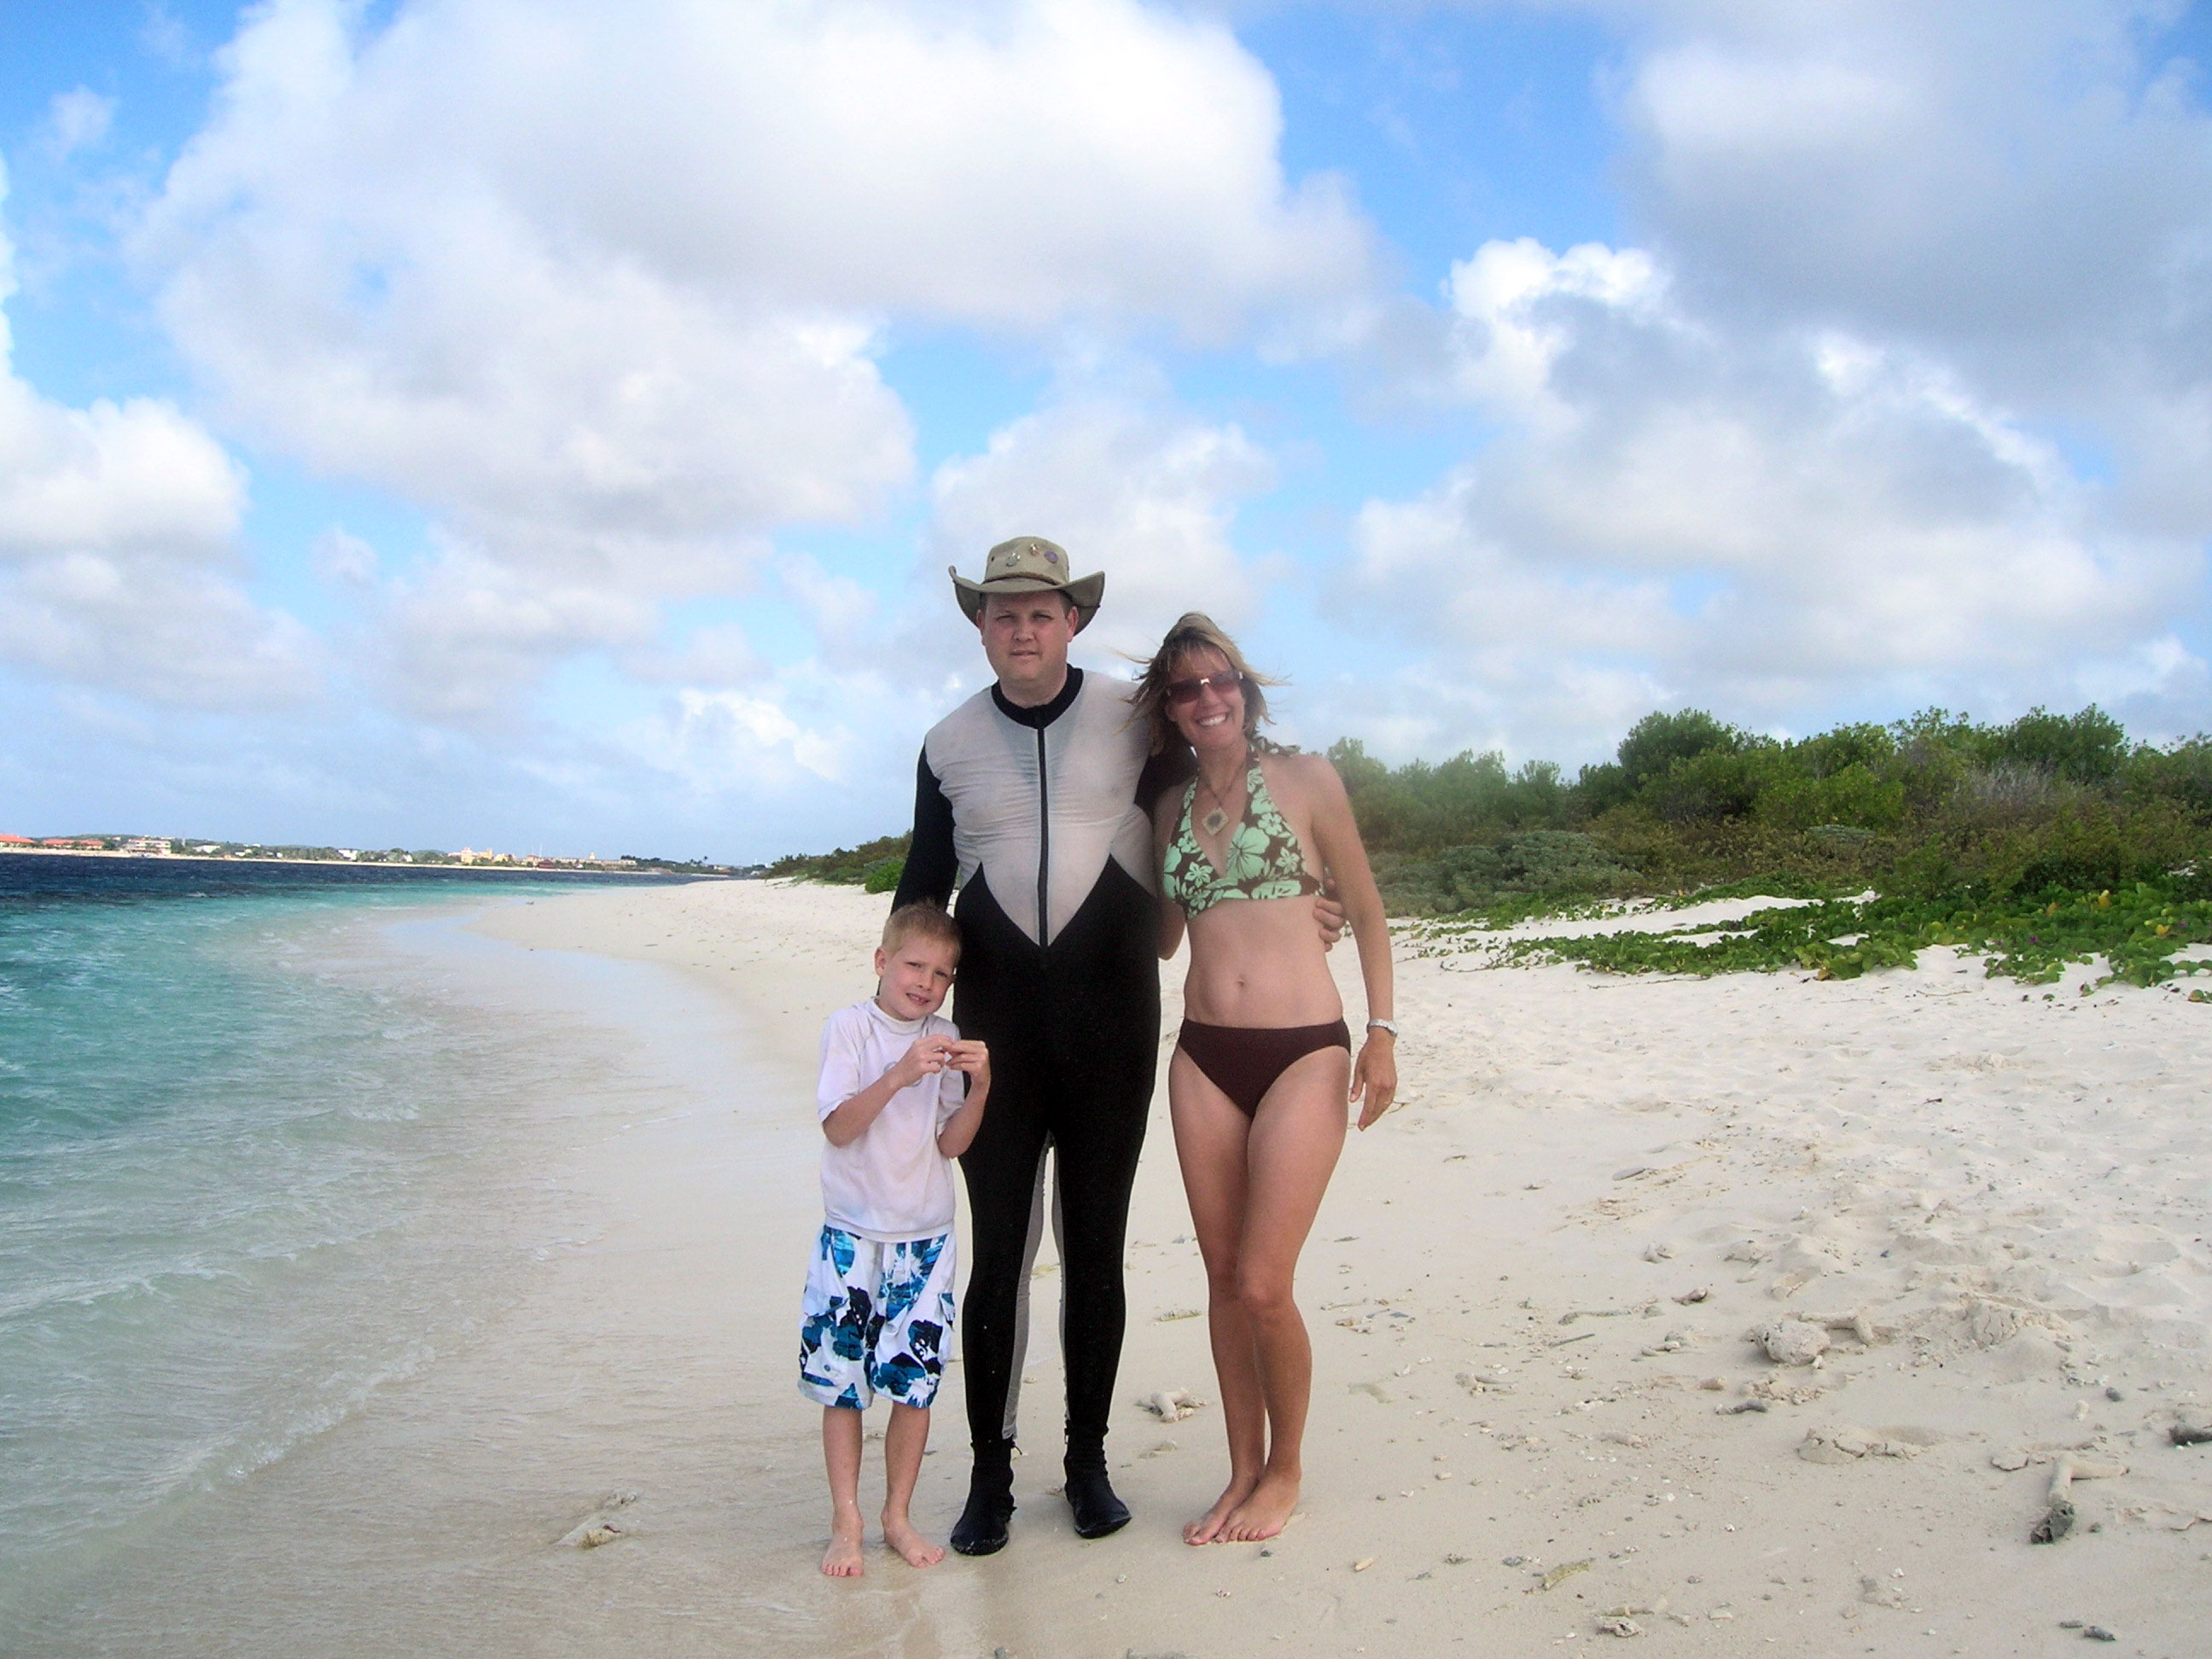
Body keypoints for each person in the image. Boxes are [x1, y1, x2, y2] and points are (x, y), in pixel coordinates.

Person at [889, 536, 1165, 1554]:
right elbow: (923, 887)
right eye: (1003, 614)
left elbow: (1209, 824)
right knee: (1000, 1256)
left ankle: (1087, 1464)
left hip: (1114, 1024)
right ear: (979, 626)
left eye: (1041, 613)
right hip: (994, 1036)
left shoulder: (1137, 719)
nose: (1022, 630)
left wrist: (1290, 901)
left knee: (1096, 1250)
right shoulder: (947, 743)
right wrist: (893, 1022)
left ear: (1072, 621)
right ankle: (990, 1479)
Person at [1135, 612, 1398, 1545]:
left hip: (1304, 1053)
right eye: (1186, 688)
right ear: (1169, 710)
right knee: (1219, 1278)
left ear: (1245, 690)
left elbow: (1367, 909)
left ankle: (1286, 1471)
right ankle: (1241, 1470)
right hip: (1203, 1056)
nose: (1207, 698)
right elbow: (1164, 938)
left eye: (1221, 681)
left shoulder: (1308, 779)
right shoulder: (1166, 808)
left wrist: (1382, 1034)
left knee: (1261, 1282)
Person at [799, 900, 991, 1577]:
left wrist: (980, 1086)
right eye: (914, 966)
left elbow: (951, 1144)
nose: (925, 983)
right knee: (842, 1385)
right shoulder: (849, 1027)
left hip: (925, 1238)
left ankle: (897, 1515)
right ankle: (846, 1519)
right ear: (883, 961)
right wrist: (901, 1073)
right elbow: (839, 1127)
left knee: (914, 1386)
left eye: (942, 974)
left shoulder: (947, 1034)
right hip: (851, 1234)